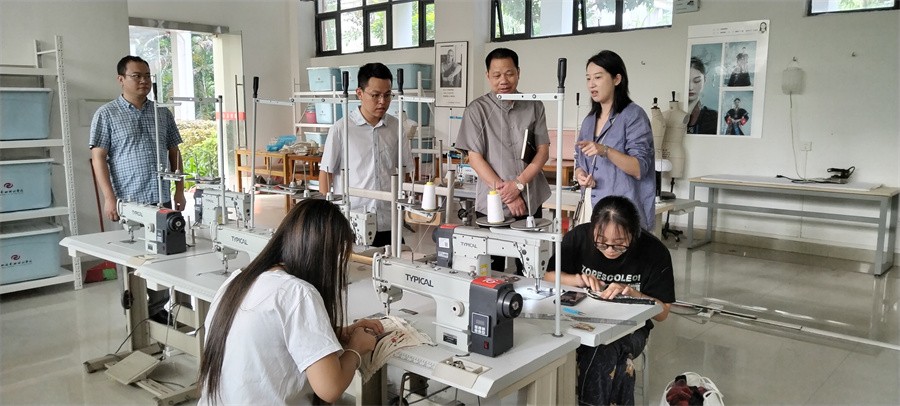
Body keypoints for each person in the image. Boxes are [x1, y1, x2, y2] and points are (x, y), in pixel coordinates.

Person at [197, 199, 384, 405]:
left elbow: (271, 339)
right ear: (325, 255)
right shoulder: (298, 293)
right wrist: (356, 349)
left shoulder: (238, 279)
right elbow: (330, 388)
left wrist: (333, 334)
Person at [544, 195, 675, 406]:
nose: (610, 250)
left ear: (634, 233)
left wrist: (632, 293)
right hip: (581, 319)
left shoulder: (653, 252)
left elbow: (663, 313)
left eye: (619, 244)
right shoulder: (578, 238)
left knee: (602, 351)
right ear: (593, 229)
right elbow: (549, 277)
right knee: (620, 366)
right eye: (602, 243)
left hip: (632, 329)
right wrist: (577, 279)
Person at [89, 55, 185, 324]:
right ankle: (134, 308)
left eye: (147, 76)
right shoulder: (107, 114)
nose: (144, 81)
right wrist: (109, 198)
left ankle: (157, 309)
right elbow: (98, 158)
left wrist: (179, 190)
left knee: (164, 255)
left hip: (161, 197)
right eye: (137, 76)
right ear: (121, 79)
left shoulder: (162, 113)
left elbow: (174, 152)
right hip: (130, 199)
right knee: (134, 256)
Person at [455, 47, 550, 272]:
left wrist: (518, 185)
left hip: (530, 197)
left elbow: (543, 151)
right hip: (492, 202)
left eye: (509, 73)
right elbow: (474, 157)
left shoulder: (534, 105)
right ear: (488, 75)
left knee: (529, 265)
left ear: (518, 72)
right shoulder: (476, 110)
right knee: (491, 265)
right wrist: (507, 194)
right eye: (496, 75)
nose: (503, 80)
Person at [319, 62, 413, 247]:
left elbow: (405, 170)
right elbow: (326, 174)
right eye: (375, 95)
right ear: (359, 93)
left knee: (394, 262)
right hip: (352, 221)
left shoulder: (396, 127)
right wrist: (325, 218)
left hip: (389, 220)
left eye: (387, 95)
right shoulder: (341, 129)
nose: (382, 101)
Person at [573, 50, 656, 230]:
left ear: (617, 79)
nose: (591, 84)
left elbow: (639, 168)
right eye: (588, 78)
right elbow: (579, 162)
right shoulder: (589, 121)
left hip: (623, 213)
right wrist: (581, 176)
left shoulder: (633, 115)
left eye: (598, 77)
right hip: (592, 207)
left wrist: (605, 150)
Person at [686, 57, 718, 135]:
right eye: (687, 81)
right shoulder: (672, 116)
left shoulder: (714, 117)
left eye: (697, 81)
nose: (690, 87)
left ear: (705, 80)